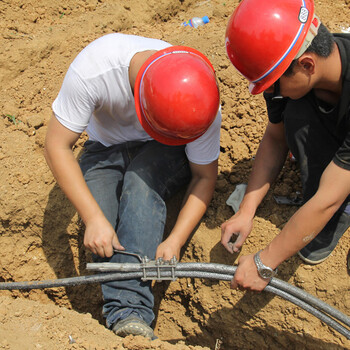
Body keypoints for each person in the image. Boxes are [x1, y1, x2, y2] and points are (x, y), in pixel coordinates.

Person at [44, 33, 221, 338]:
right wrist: (93, 219)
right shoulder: (93, 70)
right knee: (103, 215)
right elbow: (56, 146)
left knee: (140, 185)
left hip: (164, 150)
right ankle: (123, 315)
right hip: (105, 147)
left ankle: (130, 313)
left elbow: (204, 176)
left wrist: (176, 239)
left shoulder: (199, 100)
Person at [221, 0, 350, 291]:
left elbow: (328, 197)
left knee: (332, 198)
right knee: (296, 113)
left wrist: (264, 262)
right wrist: (246, 209)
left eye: (272, 85)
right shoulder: (286, 68)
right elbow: (276, 137)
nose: (269, 91)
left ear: (306, 65)